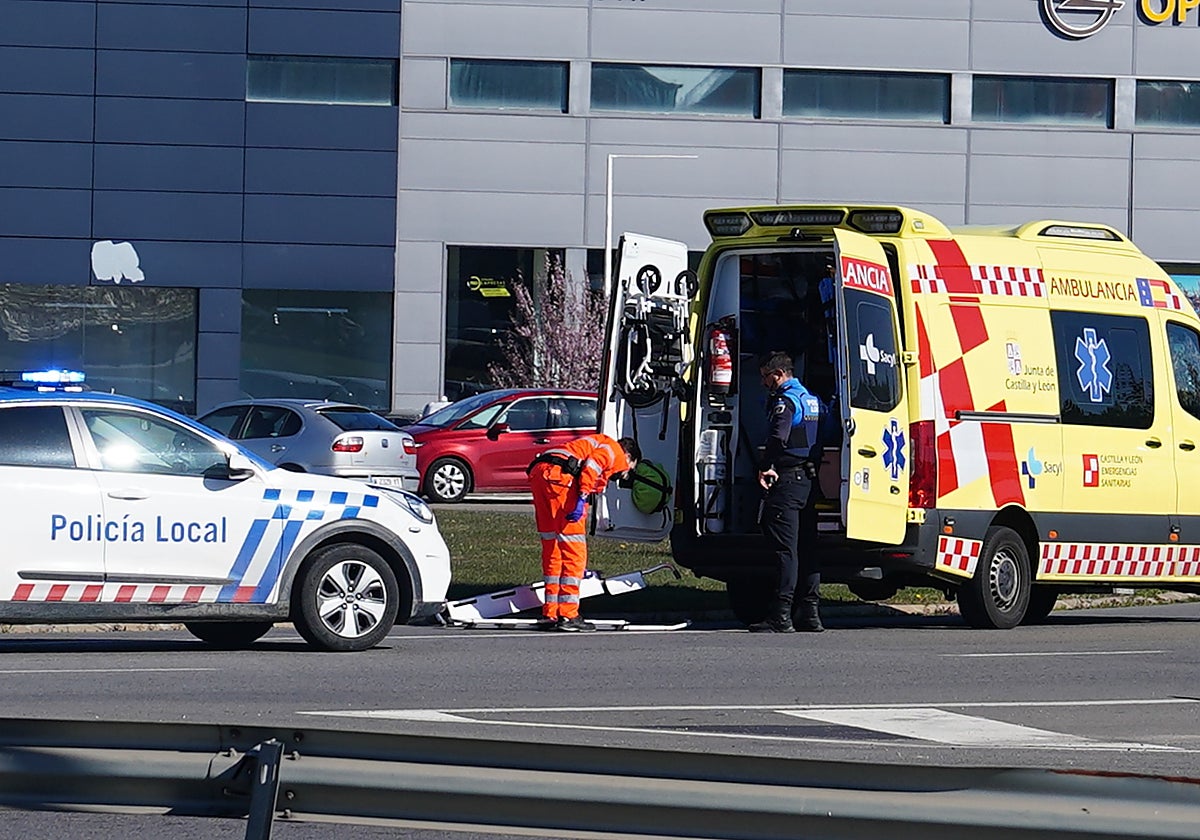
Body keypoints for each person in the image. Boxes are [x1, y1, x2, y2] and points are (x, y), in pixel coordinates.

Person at [526, 433, 641, 632]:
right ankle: (568, 615)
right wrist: (582, 496)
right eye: (629, 468)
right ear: (629, 457)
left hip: (541, 475)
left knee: (552, 549)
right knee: (574, 554)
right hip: (561, 481)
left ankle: (551, 611)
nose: (624, 473)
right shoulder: (615, 451)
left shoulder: (597, 442)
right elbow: (592, 465)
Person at [752, 350, 825, 634]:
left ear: (779, 374)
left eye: (766, 377)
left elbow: (778, 437)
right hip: (809, 479)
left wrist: (764, 466)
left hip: (788, 480)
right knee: (808, 547)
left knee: (786, 549)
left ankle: (781, 615)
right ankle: (811, 613)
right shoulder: (812, 400)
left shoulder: (786, 401)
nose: (764, 383)